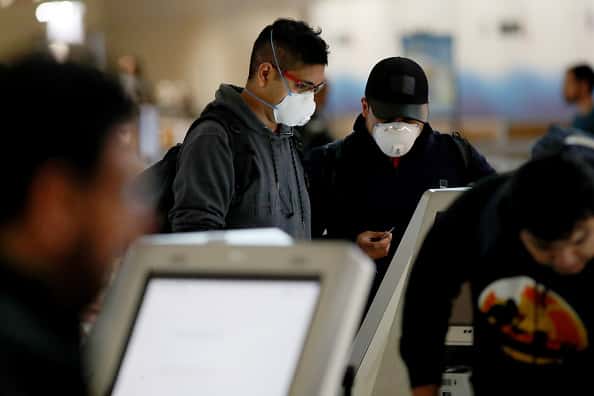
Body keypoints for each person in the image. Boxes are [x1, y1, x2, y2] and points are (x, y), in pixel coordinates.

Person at [0, 56, 153, 395]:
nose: (143, 223)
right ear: (58, 203)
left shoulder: (41, 332)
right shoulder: (27, 369)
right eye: (124, 194)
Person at [400, 153, 594, 396]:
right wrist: (424, 383)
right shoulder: (475, 213)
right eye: (547, 249)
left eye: (579, 241)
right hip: (501, 379)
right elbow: (426, 298)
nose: (566, 260)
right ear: (519, 231)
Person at [306, 57, 494, 298]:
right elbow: (301, 243)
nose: (398, 129)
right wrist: (350, 246)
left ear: (425, 111)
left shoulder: (456, 156)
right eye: (387, 119)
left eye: (408, 119)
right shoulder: (329, 162)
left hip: (432, 301)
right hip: (355, 305)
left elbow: (499, 209)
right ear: (365, 108)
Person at [169, 19, 328, 238]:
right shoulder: (215, 139)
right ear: (265, 73)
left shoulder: (289, 138)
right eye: (302, 87)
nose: (310, 99)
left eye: (316, 89)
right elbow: (196, 240)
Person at [563, 64, 594, 134]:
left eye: (569, 82)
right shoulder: (577, 119)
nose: (565, 88)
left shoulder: (591, 119)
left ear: (584, 85)